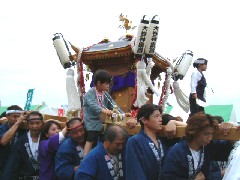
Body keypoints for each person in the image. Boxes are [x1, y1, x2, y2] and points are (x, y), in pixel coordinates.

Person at [161, 112, 234, 179]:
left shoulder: (207, 147)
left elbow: (228, 150)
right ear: (194, 132)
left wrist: (230, 130)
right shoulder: (176, 151)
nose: (210, 138)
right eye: (206, 134)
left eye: (211, 134)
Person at [125, 104, 186, 180]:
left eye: (160, 116)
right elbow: (135, 172)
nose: (160, 119)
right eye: (156, 116)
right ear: (144, 120)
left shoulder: (163, 141)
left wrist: (174, 122)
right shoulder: (135, 141)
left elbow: (190, 130)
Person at [83, 69, 131, 157]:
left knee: (105, 138)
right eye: (106, 84)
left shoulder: (105, 94)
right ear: (98, 83)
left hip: (103, 121)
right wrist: (104, 110)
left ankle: (102, 156)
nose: (108, 86)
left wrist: (123, 114)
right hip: (91, 121)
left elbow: (113, 105)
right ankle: (85, 159)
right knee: (91, 139)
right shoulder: (90, 93)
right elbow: (93, 105)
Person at [2, 111, 44, 180]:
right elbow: (13, 164)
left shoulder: (47, 139)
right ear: (27, 124)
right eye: (31, 123)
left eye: (37, 123)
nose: (34, 126)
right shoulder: (21, 142)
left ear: (42, 123)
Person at [0, 105, 26, 177]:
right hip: (2, 166)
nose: (17, 119)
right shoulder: (1, 128)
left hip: (18, 168)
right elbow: (3, 141)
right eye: (14, 116)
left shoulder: (24, 130)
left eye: (19, 117)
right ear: (7, 116)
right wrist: (17, 123)